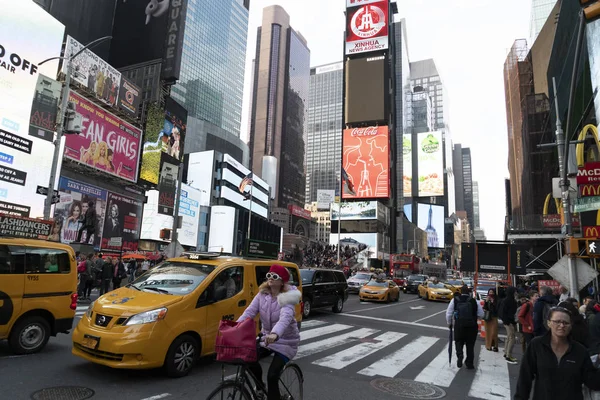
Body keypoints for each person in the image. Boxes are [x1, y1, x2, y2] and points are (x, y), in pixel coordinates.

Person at [237, 265, 301, 400]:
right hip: (266, 338)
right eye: (269, 275)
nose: (271, 278)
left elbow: (285, 318)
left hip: (286, 341)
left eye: (275, 276)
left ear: (282, 281)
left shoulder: (287, 298)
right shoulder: (262, 294)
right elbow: (249, 312)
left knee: (272, 375)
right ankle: (260, 388)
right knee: (248, 358)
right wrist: (235, 327)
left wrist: (275, 334)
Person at [514, 307, 600, 400]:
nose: (562, 325)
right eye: (557, 321)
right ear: (549, 323)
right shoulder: (537, 345)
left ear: (571, 326)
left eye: (566, 323)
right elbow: (524, 378)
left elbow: (593, 382)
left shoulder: (580, 351)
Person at [446, 285, 483, 369]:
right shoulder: (474, 301)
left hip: (459, 325)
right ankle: (469, 363)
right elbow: (481, 314)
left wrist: (449, 323)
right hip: (472, 326)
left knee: (458, 341)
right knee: (470, 345)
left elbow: (448, 313)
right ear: (469, 293)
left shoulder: (454, 300)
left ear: (461, 292)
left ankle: (460, 355)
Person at [499, 286, 518, 364]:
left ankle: (506, 352)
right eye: (515, 291)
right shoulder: (510, 301)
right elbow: (506, 312)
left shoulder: (506, 300)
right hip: (509, 322)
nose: (516, 293)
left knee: (509, 337)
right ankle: (508, 355)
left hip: (507, 321)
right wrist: (507, 321)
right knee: (512, 338)